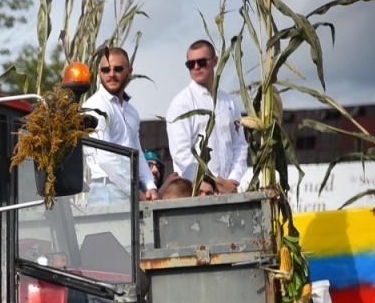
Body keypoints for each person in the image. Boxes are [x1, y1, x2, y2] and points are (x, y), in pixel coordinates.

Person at [166, 39, 250, 194]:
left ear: (215, 61)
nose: (196, 67)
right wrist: (210, 181)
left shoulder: (229, 102)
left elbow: (240, 145)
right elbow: (181, 153)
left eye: (202, 62)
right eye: (190, 64)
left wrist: (233, 179)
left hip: (228, 191)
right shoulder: (181, 103)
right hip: (196, 191)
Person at [82, 45, 157, 201]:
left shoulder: (131, 112)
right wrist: (136, 193)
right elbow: (105, 158)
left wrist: (151, 186)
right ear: (98, 73)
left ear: (129, 70)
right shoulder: (96, 106)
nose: (111, 74)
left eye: (118, 69)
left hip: (130, 188)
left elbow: (138, 153)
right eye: (105, 70)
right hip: (106, 189)